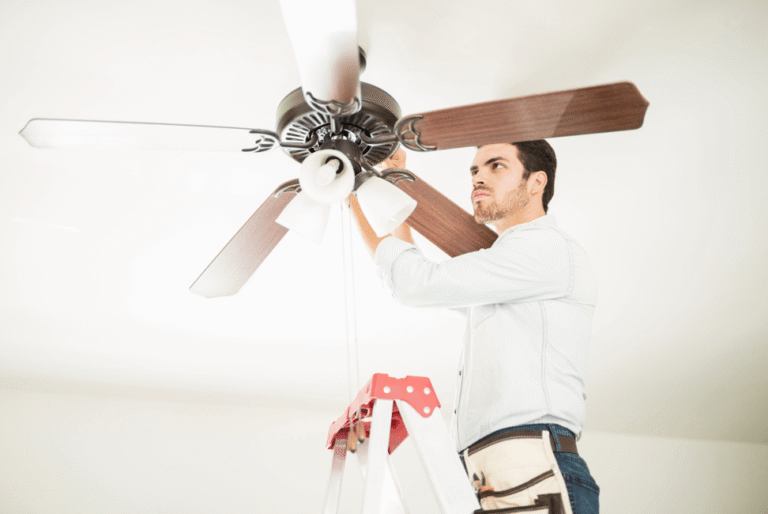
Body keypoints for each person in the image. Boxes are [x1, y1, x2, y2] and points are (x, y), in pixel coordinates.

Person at [349, 141, 600, 513]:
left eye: (496, 165)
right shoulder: (509, 271)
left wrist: (351, 197)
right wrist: (393, 187)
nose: (478, 177)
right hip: (500, 470)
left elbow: (415, 284)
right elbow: (420, 282)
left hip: (531, 465)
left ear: (537, 182)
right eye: (474, 170)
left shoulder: (545, 250)